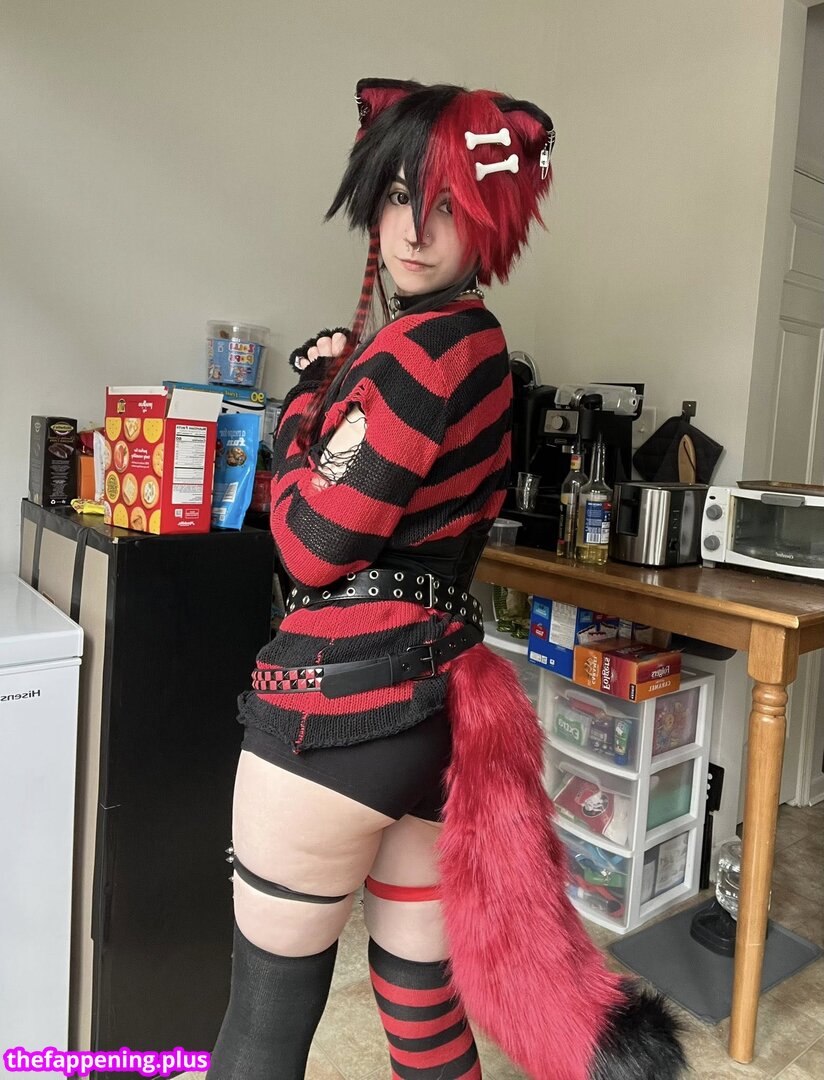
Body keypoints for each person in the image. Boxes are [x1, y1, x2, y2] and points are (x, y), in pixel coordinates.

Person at [208, 78, 686, 1080]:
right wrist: (339, 391)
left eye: (447, 207)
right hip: (433, 716)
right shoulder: (471, 347)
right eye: (396, 198)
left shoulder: (424, 348)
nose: (414, 231)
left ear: (489, 222)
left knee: (261, 1027)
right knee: (422, 1010)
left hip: (335, 713)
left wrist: (299, 411)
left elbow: (310, 545)